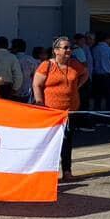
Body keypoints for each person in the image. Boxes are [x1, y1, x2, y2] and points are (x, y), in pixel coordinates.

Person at [33, 37, 89, 184]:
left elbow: (85, 73)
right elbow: (36, 85)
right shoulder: (46, 65)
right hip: (51, 112)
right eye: (65, 48)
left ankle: (67, 171)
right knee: (50, 143)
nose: (68, 50)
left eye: (69, 47)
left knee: (67, 141)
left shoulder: (75, 64)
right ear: (56, 51)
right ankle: (48, 173)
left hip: (70, 110)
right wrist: (39, 102)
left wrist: (76, 86)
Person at [88, 32, 110, 115]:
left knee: (97, 98)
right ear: (107, 39)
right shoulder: (109, 49)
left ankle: (98, 118)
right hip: (108, 76)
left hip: (96, 76)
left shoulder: (94, 49)